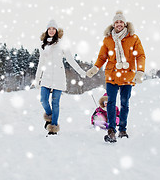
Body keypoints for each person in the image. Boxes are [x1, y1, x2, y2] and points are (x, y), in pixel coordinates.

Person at [86, 10, 145, 142]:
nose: (119, 24)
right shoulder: (108, 39)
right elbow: (102, 56)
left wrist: (140, 71)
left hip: (127, 76)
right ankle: (111, 130)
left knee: (125, 104)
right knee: (111, 103)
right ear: (113, 24)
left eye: (121, 21)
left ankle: (122, 129)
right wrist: (95, 68)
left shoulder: (133, 38)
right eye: (116, 22)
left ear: (125, 23)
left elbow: (140, 55)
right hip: (112, 75)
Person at [33, 19, 86, 135]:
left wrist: (81, 71)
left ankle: (53, 126)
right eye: (49, 29)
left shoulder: (62, 44)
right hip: (46, 76)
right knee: (43, 100)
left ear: (56, 31)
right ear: (47, 30)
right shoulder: (43, 45)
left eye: (53, 29)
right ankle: (50, 116)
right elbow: (40, 63)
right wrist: (37, 79)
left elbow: (70, 60)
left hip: (59, 77)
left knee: (55, 103)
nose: (51, 31)